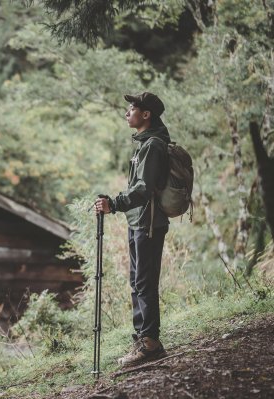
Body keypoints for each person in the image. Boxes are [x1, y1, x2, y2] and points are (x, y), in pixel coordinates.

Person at [94, 92, 170, 367]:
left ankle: (150, 345)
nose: (127, 112)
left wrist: (114, 204)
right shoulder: (144, 144)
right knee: (137, 282)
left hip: (149, 223)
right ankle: (143, 339)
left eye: (132, 108)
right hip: (139, 221)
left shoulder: (152, 145)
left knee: (144, 282)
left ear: (146, 114)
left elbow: (142, 189)